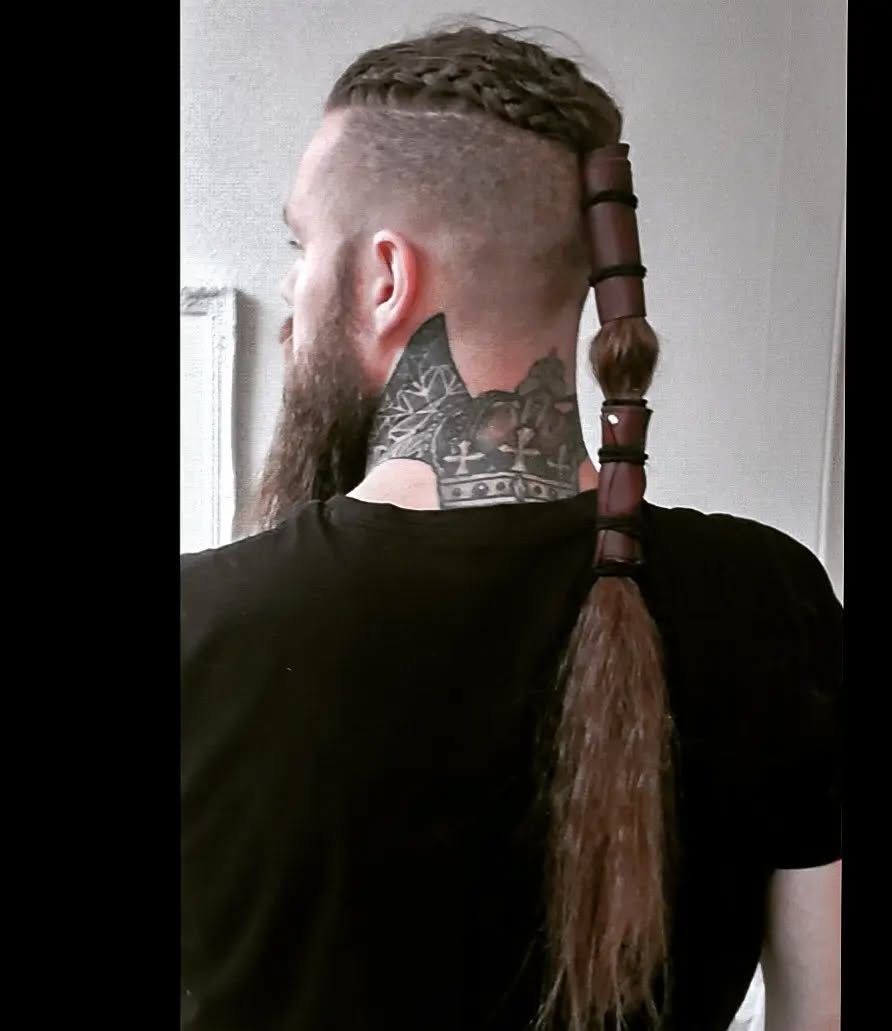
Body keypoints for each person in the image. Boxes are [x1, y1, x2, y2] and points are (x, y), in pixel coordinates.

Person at [180, 24, 843, 1031]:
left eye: (300, 247)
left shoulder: (198, 629)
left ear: (385, 277)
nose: (289, 293)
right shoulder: (769, 599)